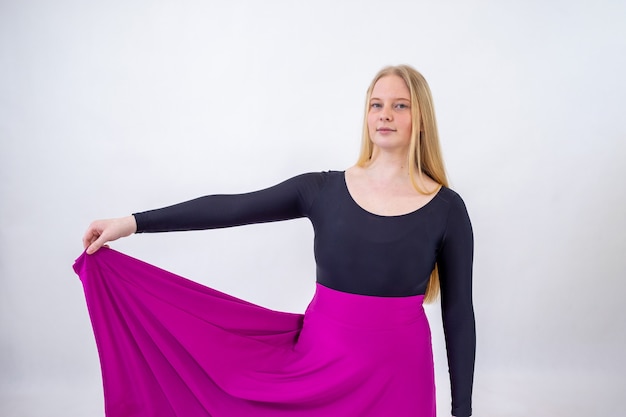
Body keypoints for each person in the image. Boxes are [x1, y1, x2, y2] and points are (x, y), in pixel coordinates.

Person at [79, 64, 475, 417]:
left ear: (421, 119)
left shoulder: (446, 209)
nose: (385, 114)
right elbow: (231, 208)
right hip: (319, 365)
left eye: (400, 105)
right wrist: (132, 223)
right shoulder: (322, 190)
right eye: (376, 104)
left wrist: (462, 411)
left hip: (399, 376)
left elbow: (458, 315)